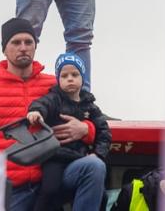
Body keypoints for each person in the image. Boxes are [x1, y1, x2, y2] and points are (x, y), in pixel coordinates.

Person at [0, 18, 107, 211]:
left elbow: (89, 112)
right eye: (16, 42)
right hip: (9, 186)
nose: (23, 47)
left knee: (94, 167)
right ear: (4, 48)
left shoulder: (55, 83)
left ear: (35, 47)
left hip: (51, 176)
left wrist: (87, 129)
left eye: (29, 42)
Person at [26, 52, 111, 211]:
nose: (70, 78)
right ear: (58, 80)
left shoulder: (90, 106)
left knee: (102, 195)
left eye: (74, 74)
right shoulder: (54, 98)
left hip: (79, 158)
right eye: (64, 76)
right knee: (49, 189)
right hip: (56, 158)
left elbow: (104, 132)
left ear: (83, 77)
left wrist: (98, 154)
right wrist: (36, 112)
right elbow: (42, 104)